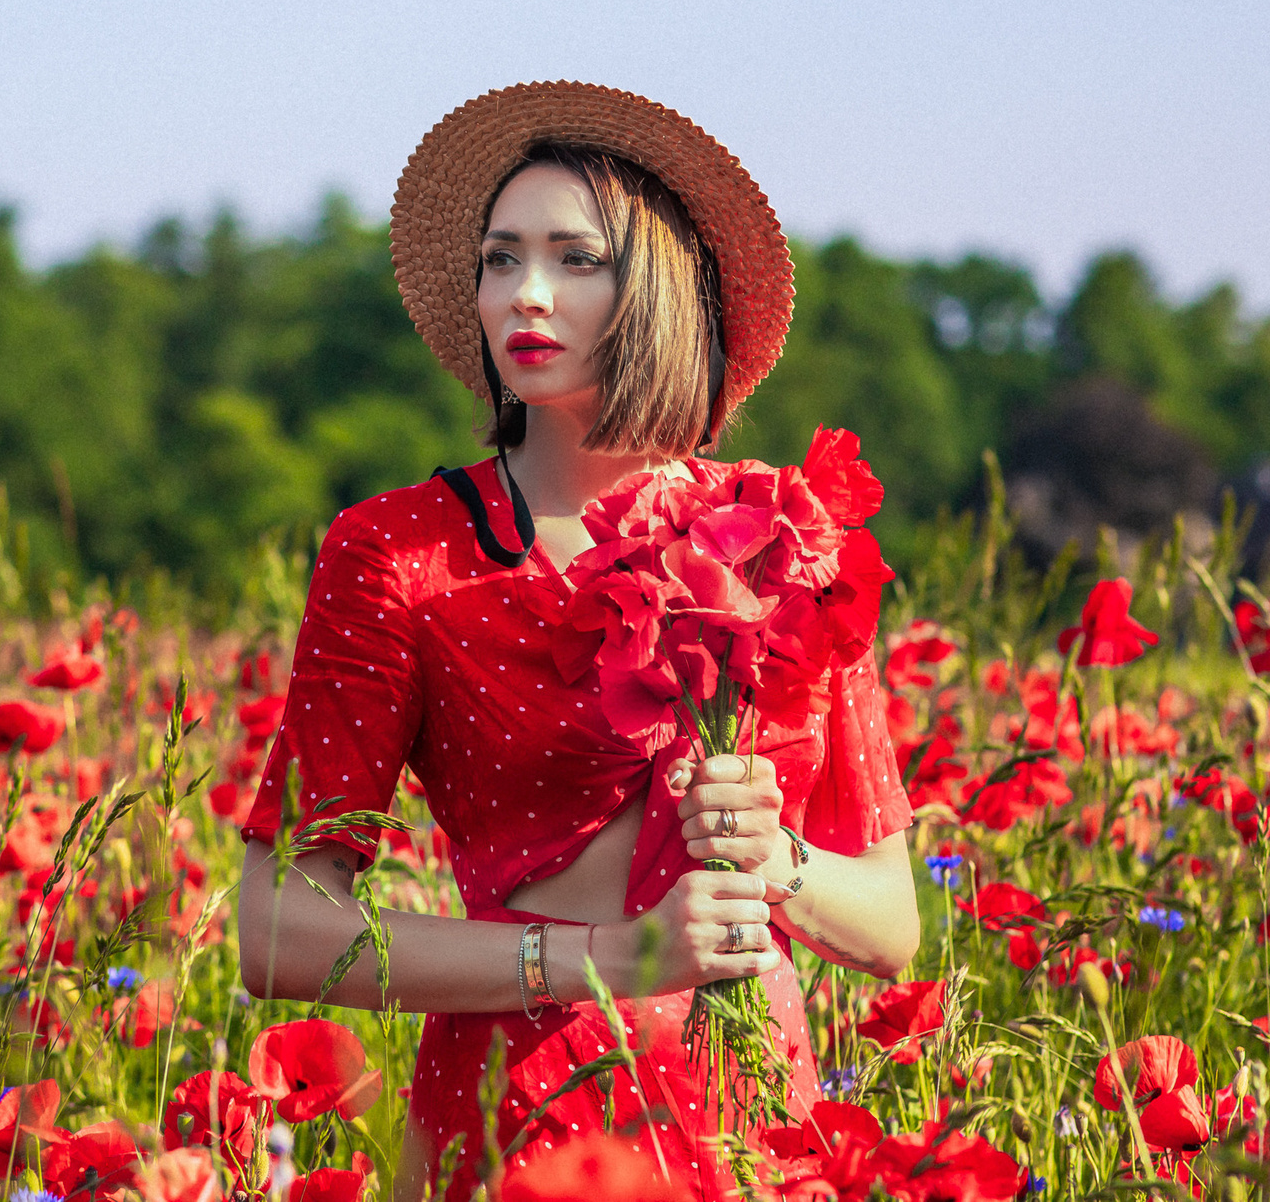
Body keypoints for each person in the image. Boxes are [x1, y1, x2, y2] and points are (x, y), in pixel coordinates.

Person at [234, 82, 920, 1200]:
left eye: (574, 258)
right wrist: (605, 960)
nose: (525, 294)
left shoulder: (786, 539)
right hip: (513, 1122)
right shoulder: (400, 552)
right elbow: (276, 931)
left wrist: (774, 862)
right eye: (500, 259)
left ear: (657, 287)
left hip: (755, 1135)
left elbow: (890, 928)